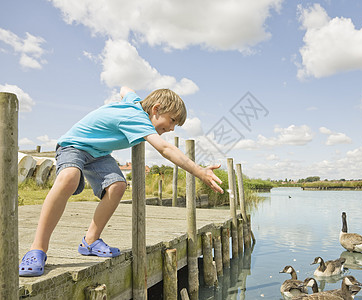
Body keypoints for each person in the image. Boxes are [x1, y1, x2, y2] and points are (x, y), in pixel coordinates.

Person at [19, 86, 223, 277]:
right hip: (74, 146)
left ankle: (90, 241)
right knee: (69, 178)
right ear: (156, 109)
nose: (171, 128)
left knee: (117, 186)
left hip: (99, 154)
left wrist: (125, 92)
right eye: (172, 121)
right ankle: (37, 248)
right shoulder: (138, 118)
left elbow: (126, 89)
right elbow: (165, 149)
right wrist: (200, 172)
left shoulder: (135, 104)